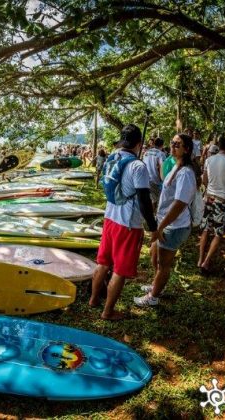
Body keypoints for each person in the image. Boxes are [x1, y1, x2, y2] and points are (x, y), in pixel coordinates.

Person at [90, 124, 158, 320]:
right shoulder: (138, 166)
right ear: (139, 144)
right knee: (119, 271)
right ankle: (108, 311)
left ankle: (94, 299)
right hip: (127, 225)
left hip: (109, 219)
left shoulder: (113, 157)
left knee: (103, 263)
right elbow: (145, 202)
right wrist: (153, 228)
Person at [135, 133, 197, 306]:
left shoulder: (185, 173)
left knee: (164, 264)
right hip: (164, 222)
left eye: (178, 144)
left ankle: (153, 297)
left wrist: (160, 227)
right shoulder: (175, 166)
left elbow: (179, 204)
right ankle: (156, 285)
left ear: (187, 149)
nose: (173, 146)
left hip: (174, 226)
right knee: (155, 258)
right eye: (172, 142)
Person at [198, 136, 225, 273]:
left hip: (209, 198)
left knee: (205, 229)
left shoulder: (209, 160)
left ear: (219, 146)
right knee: (218, 233)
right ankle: (206, 262)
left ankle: (200, 259)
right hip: (222, 200)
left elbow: (204, 181)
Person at [143, 137, 166, 210]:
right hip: (156, 180)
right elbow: (162, 167)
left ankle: (152, 216)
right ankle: (155, 217)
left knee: (152, 200)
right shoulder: (161, 154)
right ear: (162, 145)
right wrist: (163, 180)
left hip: (146, 179)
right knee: (158, 200)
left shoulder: (146, 152)